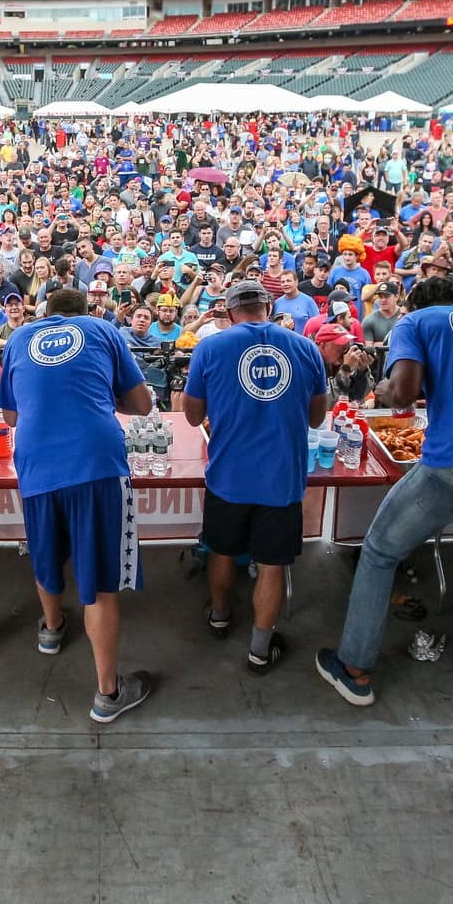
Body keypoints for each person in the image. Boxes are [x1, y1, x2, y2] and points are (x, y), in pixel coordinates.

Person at [317, 277, 453, 707]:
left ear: (413, 302)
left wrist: (384, 390)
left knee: (378, 551)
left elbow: (405, 393)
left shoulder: (415, 323)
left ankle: (354, 669)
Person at [0, 287, 154, 723]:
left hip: (36, 463)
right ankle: (108, 694)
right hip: (95, 461)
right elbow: (141, 405)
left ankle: (51, 631)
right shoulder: (103, 330)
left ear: (46, 315)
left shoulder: (18, 339)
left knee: (45, 553)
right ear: (85, 312)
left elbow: (10, 416)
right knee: (100, 583)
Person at [183, 280, 327, 674]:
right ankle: (260, 650)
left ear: (230, 313)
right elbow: (317, 417)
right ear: (268, 305)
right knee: (271, 565)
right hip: (282, 476)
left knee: (221, 550)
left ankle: (219, 616)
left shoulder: (210, 347)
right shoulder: (305, 347)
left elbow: (193, 416)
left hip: (229, 474)